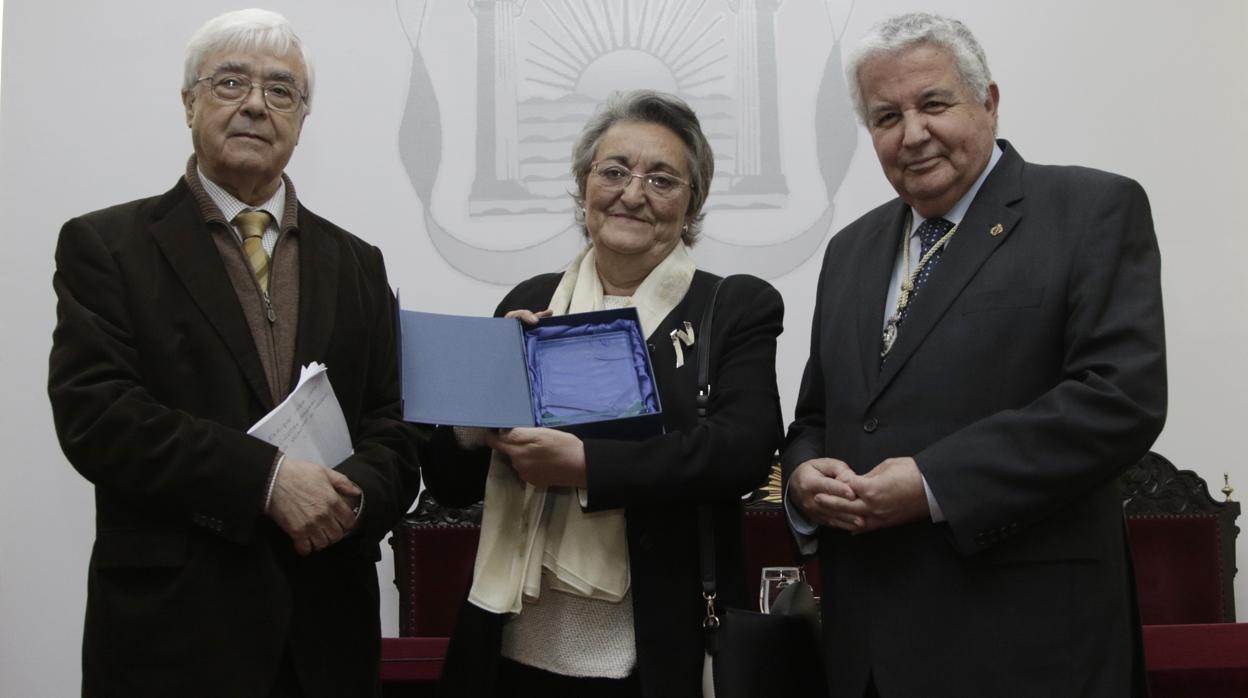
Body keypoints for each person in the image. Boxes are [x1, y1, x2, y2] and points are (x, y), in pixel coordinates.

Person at [782, 12, 1166, 698]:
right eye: (886, 116)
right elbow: (819, 413)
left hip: (1026, 646)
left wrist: (934, 484)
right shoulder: (851, 251)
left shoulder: (1091, 209)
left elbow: (1118, 399)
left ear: (987, 100)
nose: (913, 133)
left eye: (934, 103)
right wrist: (806, 476)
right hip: (867, 646)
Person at [47, 9, 421, 697]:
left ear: (302, 119)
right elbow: (98, 419)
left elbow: (392, 429)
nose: (255, 103)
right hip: (173, 635)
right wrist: (268, 481)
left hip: (326, 634)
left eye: (281, 90)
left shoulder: (358, 262)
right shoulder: (108, 248)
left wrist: (344, 499)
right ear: (189, 102)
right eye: (230, 83)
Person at [419, 89, 784, 697]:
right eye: (613, 171)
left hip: (654, 655)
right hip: (509, 646)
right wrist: (475, 412)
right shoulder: (532, 298)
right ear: (583, 183)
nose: (633, 193)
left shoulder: (733, 305)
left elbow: (740, 452)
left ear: (693, 201)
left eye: (662, 179)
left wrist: (588, 466)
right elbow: (451, 482)